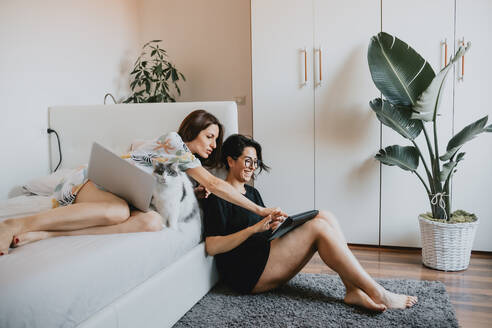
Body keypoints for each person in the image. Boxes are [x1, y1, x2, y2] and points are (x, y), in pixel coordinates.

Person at [0, 110, 279, 255]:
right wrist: (259, 210)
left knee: (151, 223)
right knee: (118, 212)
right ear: (193, 130)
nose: (214, 144)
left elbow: (161, 192)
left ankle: (47, 235)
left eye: (216, 139)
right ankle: (18, 223)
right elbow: (217, 184)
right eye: (209, 136)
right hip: (95, 181)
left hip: (122, 194)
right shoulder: (173, 141)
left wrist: (192, 192)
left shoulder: (182, 169)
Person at [203, 134, 418, 312]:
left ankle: (353, 290)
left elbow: (261, 231)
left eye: (255, 162)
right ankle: (378, 293)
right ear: (231, 161)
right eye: (247, 161)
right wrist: (254, 229)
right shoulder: (216, 197)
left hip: (262, 254)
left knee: (324, 216)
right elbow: (212, 246)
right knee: (318, 228)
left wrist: (275, 225)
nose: (252, 167)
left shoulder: (252, 192)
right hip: (245, 274)